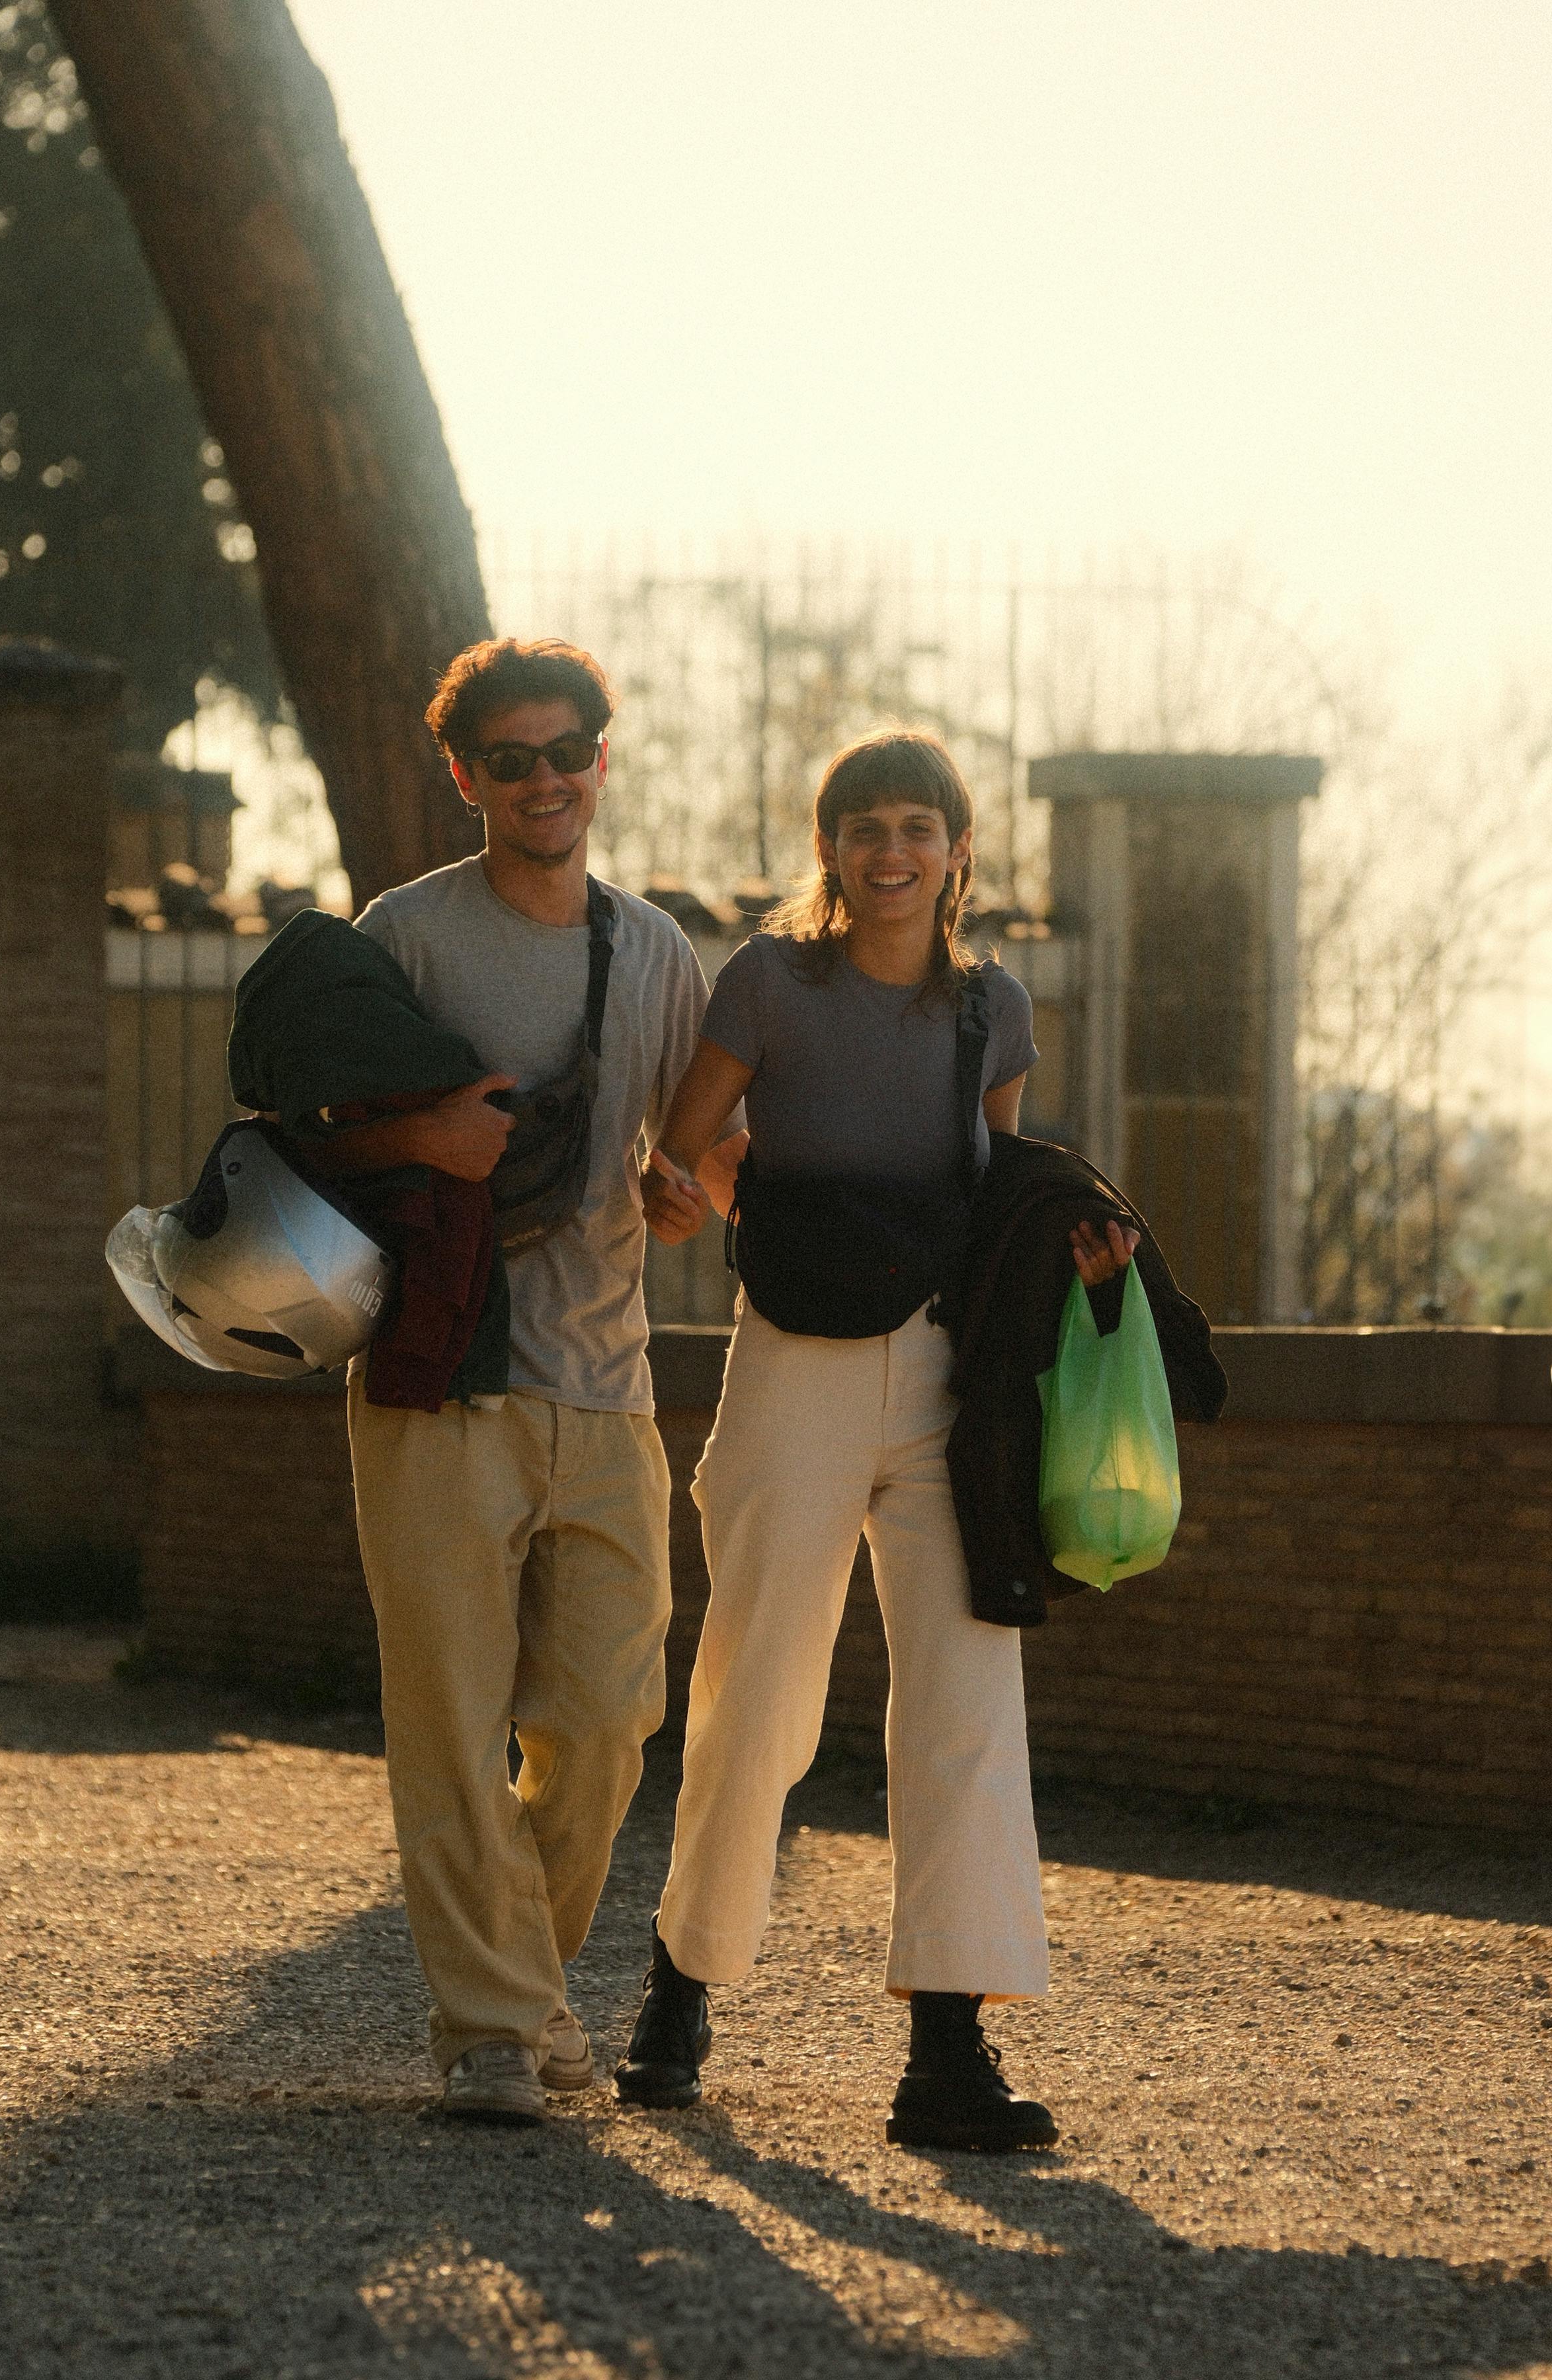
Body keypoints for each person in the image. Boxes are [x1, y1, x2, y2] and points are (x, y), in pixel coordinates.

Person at [615, 727, 1135, 2153]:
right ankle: (682, 1983)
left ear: (955, 848)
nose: (889, 852)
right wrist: (717, 1202)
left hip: (946, 1387)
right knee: (755, 1689)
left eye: (916, 826)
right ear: (828, 848)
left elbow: (991, 1188)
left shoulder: (991, 1007)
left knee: (966, 1703)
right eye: (862, 828)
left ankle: (944, 2054)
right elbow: (689, 1143)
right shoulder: (767, 983)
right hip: (791, 1366)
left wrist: (1079, 1241)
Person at [324, 636, 741, 2125]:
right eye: (511, 759)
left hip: (608, 1383)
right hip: (440, 1373)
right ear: (466, 778)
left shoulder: (658, 952)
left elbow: (704, 1144)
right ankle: (496, 2035)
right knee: (446, 1716)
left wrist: (691, 1186)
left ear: (603, 759)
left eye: (568, 749)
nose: (545, 778)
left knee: (605, 1720)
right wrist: (415, 1145)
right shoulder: (405, 934)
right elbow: (300, 1133)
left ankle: (528, 1993)